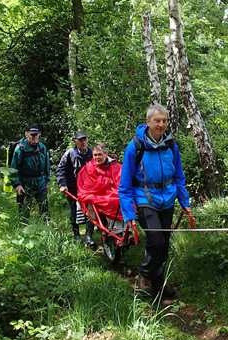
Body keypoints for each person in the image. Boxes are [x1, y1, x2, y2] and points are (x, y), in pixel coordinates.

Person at [118, 103, 193, 301]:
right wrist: (129, 214)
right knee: (156, 240)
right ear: (148, 122)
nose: (161, 124)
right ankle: (144, 275)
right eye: (157, 120)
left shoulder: (171, 145)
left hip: (168, 198)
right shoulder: (135, 147)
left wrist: (185, 203)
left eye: (164, 120)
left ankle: (158, 285)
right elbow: (124, 185)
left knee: (164, 245)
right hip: (145, 198)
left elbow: (179, 176)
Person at [56, 130, 94, 246]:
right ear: (75, 141)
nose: (83, 142)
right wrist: (62, 184)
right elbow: (60, 170)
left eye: (84, 139)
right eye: (80, 140)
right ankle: (76, 235)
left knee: (91, 210)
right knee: (74, 211)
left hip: (88, 188)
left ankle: (88, 236)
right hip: (73, 188)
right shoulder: (69, 153)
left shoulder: (92, 153)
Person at [10, 124, 51, 223]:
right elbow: (13, 168)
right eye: (31, 134)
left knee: (44, 207)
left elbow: (47, 166)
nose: (34, 137)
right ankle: (23, 232)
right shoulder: (20, 148)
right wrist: (17, 184)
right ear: (26, 134)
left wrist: (46, 181)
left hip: (40, 181)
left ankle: (47, 230)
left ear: (39, 135)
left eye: (35, 134)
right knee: (24, 209)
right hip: (25, 182)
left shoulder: (42, 147)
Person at [77, 144, 122, 222]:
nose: (97, 157)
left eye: (100, 155)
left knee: (121, 199)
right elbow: (85, 186)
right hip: (94, 195)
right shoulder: (88, 168)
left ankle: (122, 227)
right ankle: (109, 227)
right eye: (95, 155)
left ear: (105, 154)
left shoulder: (115, 166)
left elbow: (121, 181)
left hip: (111, 192)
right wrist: (106, 182)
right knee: (110, 201)